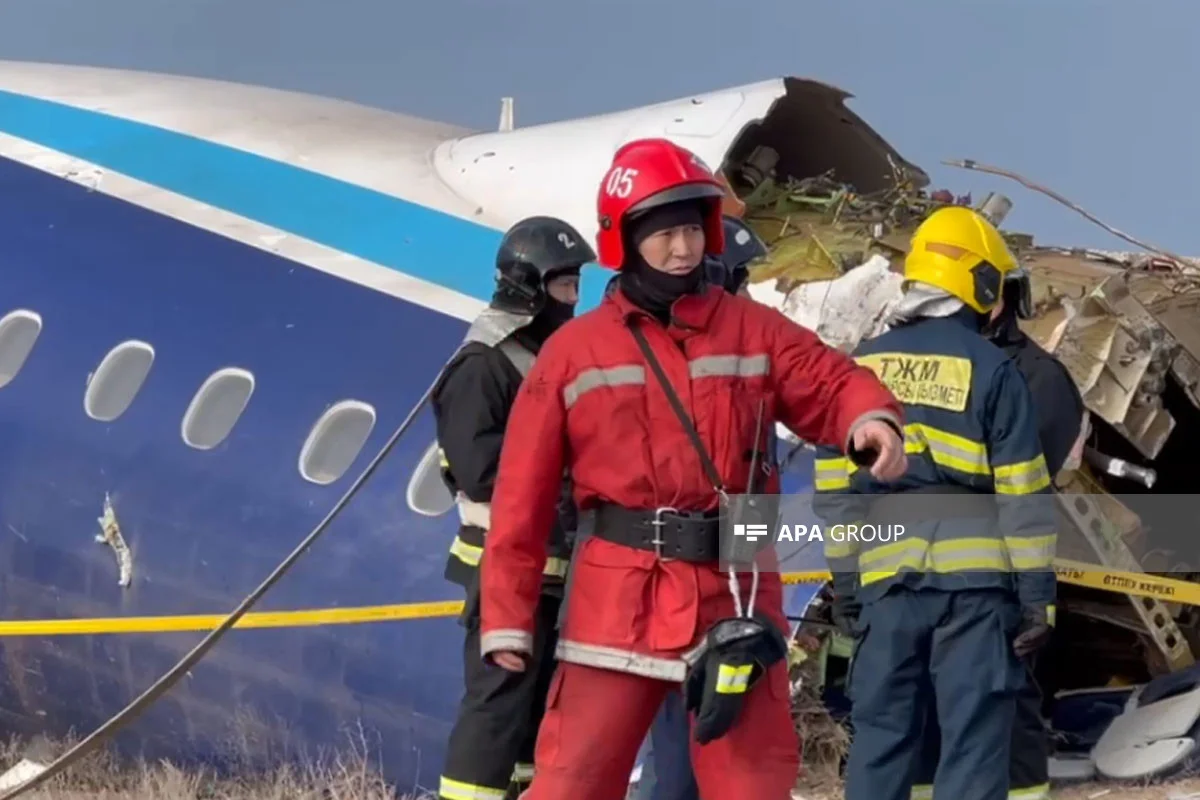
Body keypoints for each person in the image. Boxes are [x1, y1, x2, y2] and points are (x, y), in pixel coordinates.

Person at [478, 137, 908, 800]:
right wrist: (506, 617)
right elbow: (521, 498)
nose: (682, 250)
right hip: (616, 604)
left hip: (734, 601)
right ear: (625, 240)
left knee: (753, 785)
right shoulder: (573, 353)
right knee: (573, 782)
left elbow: (827, 381)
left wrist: (868, 418)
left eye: (691, 231)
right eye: (665, 235)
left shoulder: (751, 329)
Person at [813, 205, 1059, 800]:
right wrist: (1037, 600)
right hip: (975, 593)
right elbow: (1023, 492)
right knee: (973, 742)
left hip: (886, 584)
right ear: (978, 284)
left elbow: (834, 494)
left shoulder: (857, 366)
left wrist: (847, 586)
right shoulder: (994, 367)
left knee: (881, 738)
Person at [908, 263, 1085, 800]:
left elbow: (1025, 481)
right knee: (922, 707)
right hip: (919, 574)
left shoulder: (1038, 378)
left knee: (1001, 709)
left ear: (993, 300)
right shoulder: (927, 362)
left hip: (998, 578)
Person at [432, 215, 595, 800]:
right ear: (528, 285)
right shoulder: (483, 364)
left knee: (534, 717)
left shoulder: (551, 356)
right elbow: (482, 474)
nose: (572, 299)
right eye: (563, 286)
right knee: (496, 710)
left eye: (577, 286)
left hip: (555, 572)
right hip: (500, 567)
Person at [633, 212, 770, 800]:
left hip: (722, 581)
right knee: (679, 743)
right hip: (681, 583)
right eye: (736, 283)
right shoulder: (687, 365)